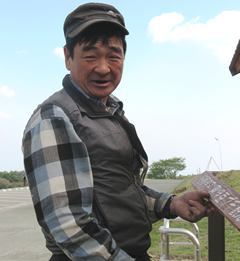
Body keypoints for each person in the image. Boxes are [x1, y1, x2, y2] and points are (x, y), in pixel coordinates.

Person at [22, 3, 215, 261]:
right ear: (68, 57)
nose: (103, 68)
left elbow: (120, 191)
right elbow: (68, 224)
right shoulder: (54, 118)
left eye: (113, 55)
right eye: (90, 56)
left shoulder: (109, 111)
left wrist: (172, 204)